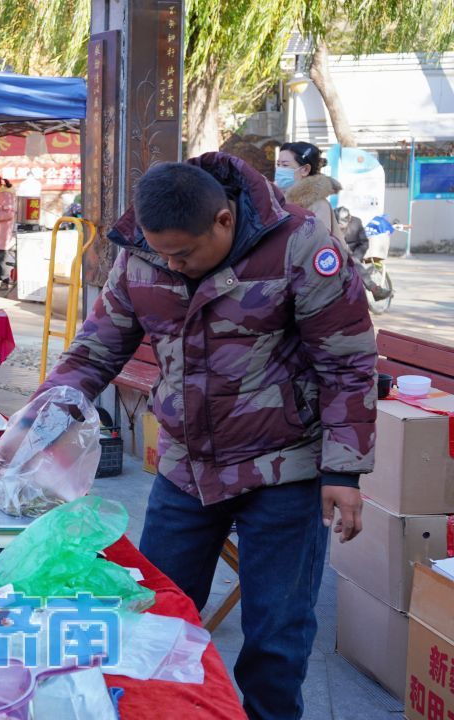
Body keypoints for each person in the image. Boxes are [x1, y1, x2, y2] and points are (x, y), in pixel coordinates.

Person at [26, 153, 375, 719]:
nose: (173, 265)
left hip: (283, 468)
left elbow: (347, 364)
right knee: (156, 617)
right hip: (185, 470)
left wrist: (343, 471)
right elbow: (97, 346)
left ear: (223, 219)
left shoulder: (302, 247)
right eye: (162, 253)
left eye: (183, 254)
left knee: (275, 640)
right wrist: (44, 415)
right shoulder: (143, 255)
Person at [275, 141, 343, 242]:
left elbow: (316, 244)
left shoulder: (319, 205)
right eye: (278, 164)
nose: (279, 170)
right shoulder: (277, 198)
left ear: (305, 170)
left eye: (285, 165)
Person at [0, 175, 16, 288]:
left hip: (3, 231)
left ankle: (5, 280)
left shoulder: (5, 194)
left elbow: (9, 213)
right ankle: (0, 279)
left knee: (2, 256)